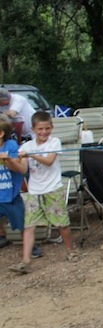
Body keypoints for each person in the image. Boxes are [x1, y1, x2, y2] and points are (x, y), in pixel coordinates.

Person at [10, 111, 78, 275]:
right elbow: (23, 169)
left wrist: (32, 155)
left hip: (53, 189)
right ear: (33, 129)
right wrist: (10, 161)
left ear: (51, 128)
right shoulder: (27, 146)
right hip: (35, 191)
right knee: (29, 226)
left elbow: (49, 161)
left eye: (47, 128)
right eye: (40, 129)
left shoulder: (54, 142)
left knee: (63, 224)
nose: (44, 132)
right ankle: (25, 261)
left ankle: (70, 251)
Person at [0, 118, 28, 263]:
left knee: (21, 221)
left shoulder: (10, 145)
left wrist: (7, 160)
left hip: (10, 193)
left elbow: (19, 168)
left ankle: (30, 246)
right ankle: (2, 237)